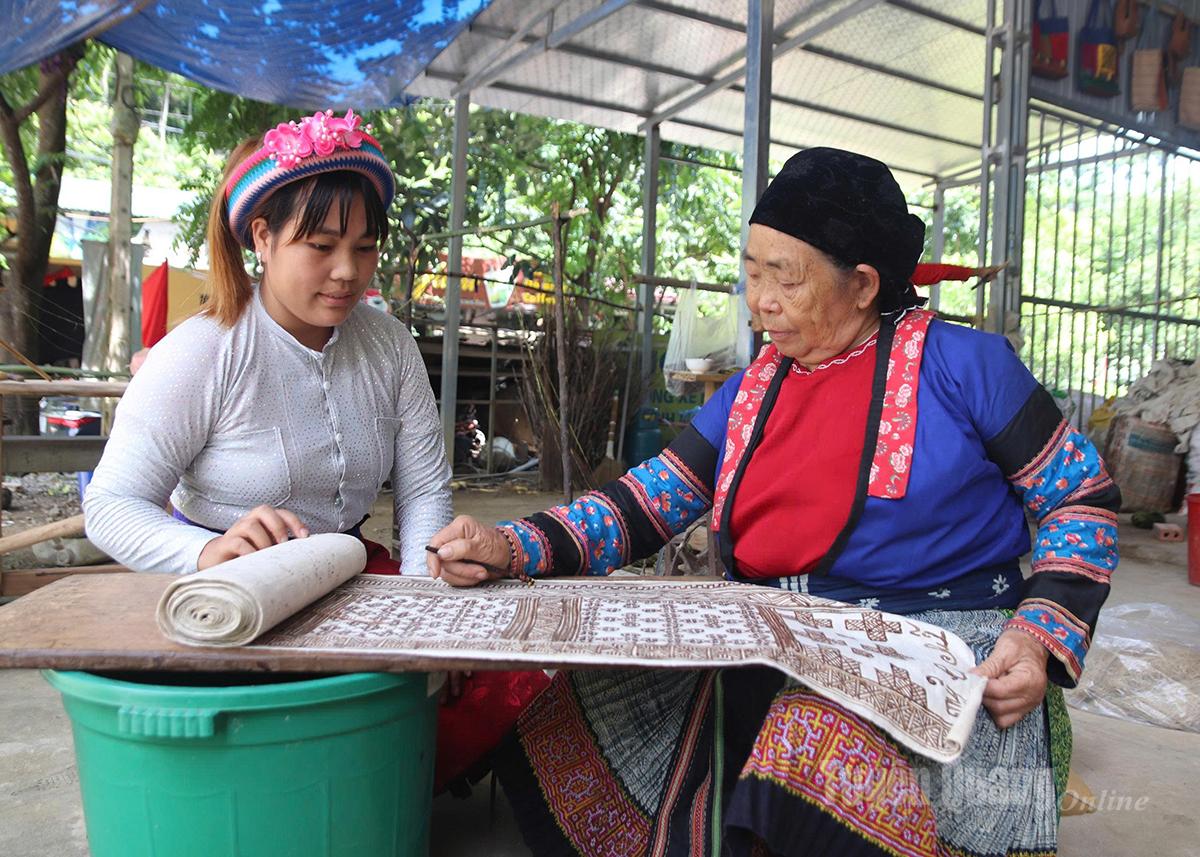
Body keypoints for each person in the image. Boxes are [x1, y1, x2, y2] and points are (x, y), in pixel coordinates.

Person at [426, 147, 1119, 856]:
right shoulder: (755, 387)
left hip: (939, 641)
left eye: (784, 278)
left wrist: (1035, 636)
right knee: (572, 697)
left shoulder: (967, 365)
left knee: (807, 750)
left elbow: (1081, 500)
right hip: (777, 636)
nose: (760, 301)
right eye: (752, 272)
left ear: (862, 285)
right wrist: (514, 545)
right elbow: (647, 503)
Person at [84, 109, 451, 575]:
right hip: (229, 583)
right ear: (263, 237)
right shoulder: (203, 351)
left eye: (364, 247)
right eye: (321, 246)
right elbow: (112, 504)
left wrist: (418, 593)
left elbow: (424, 491)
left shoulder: (390, 345)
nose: (348, 271)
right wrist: (206, 553)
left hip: (349, 572)